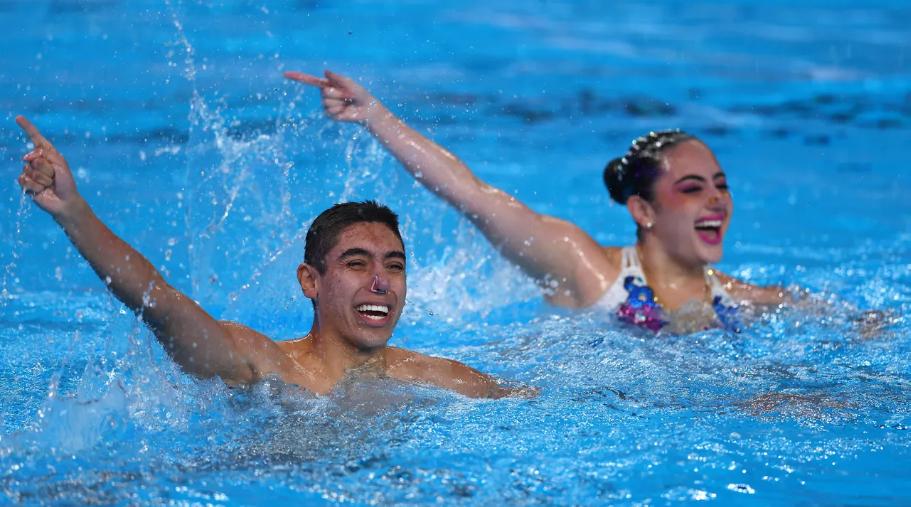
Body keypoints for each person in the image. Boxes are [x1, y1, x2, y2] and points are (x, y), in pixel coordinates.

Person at [14, 116, 531, 398]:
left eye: (394, 266)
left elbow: (540, 403)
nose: (381, 282)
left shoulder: (435, 378)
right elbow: (160, 304)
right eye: (356, 263)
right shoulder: (263, 366)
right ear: (310, 280)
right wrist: (74, 213)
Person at [285, 70, 790, 332]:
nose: (717, 200)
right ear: (643, 210)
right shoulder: (585, 267)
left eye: (721, 185)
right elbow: (471, 195)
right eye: (693, 188)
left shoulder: (739, 299)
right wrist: (375, 116)